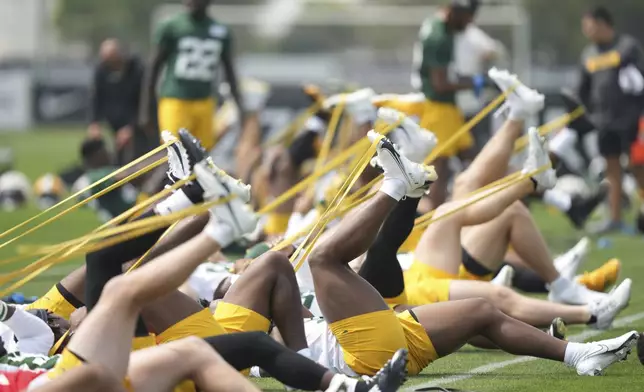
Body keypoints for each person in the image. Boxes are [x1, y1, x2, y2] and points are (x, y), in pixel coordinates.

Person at [304, 128, 639, 377]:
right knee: (336, 257)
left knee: (481, 311)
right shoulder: (267, 315)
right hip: (365, 339)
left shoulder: (279, 302)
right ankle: (587, 306)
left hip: (381, 324)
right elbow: (274, 349)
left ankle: (580, 352)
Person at [141, 0, 245, 151]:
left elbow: (229, 71)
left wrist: (239, 105)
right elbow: (153, 68)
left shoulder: (220, 31)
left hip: (205, 101)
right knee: (173, 154)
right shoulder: (172, 26)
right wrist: (146, 109)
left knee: (202, 158)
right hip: (176, 100)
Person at [411, 0, 484, 211]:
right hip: (439, 109)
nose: (470, 22)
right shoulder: (439, 37)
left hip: (449, 109)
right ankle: (434, 223)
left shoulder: (445, 28)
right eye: (467, 16)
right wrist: (474, 82)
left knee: (473, 159)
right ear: (453, 11)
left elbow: (447, 75)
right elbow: (440, 83)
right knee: (438, 170)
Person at [578, 6, 644, 233]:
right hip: (604, 121)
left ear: (602, 23)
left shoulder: (627, 47)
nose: (586, 30)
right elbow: (583, 90)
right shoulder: (588, 55)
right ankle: (615, 219)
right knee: (612, 169)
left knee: (639, 167)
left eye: (589, 25)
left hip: (631, 119)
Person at [88, 39, 151, 166]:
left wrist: (131, 128)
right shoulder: (102, 71)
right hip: (115, 125)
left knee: (136, 159)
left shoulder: (137, 70)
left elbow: (144, 103)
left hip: (139, 126)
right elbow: (96, 97)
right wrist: (94, 123)